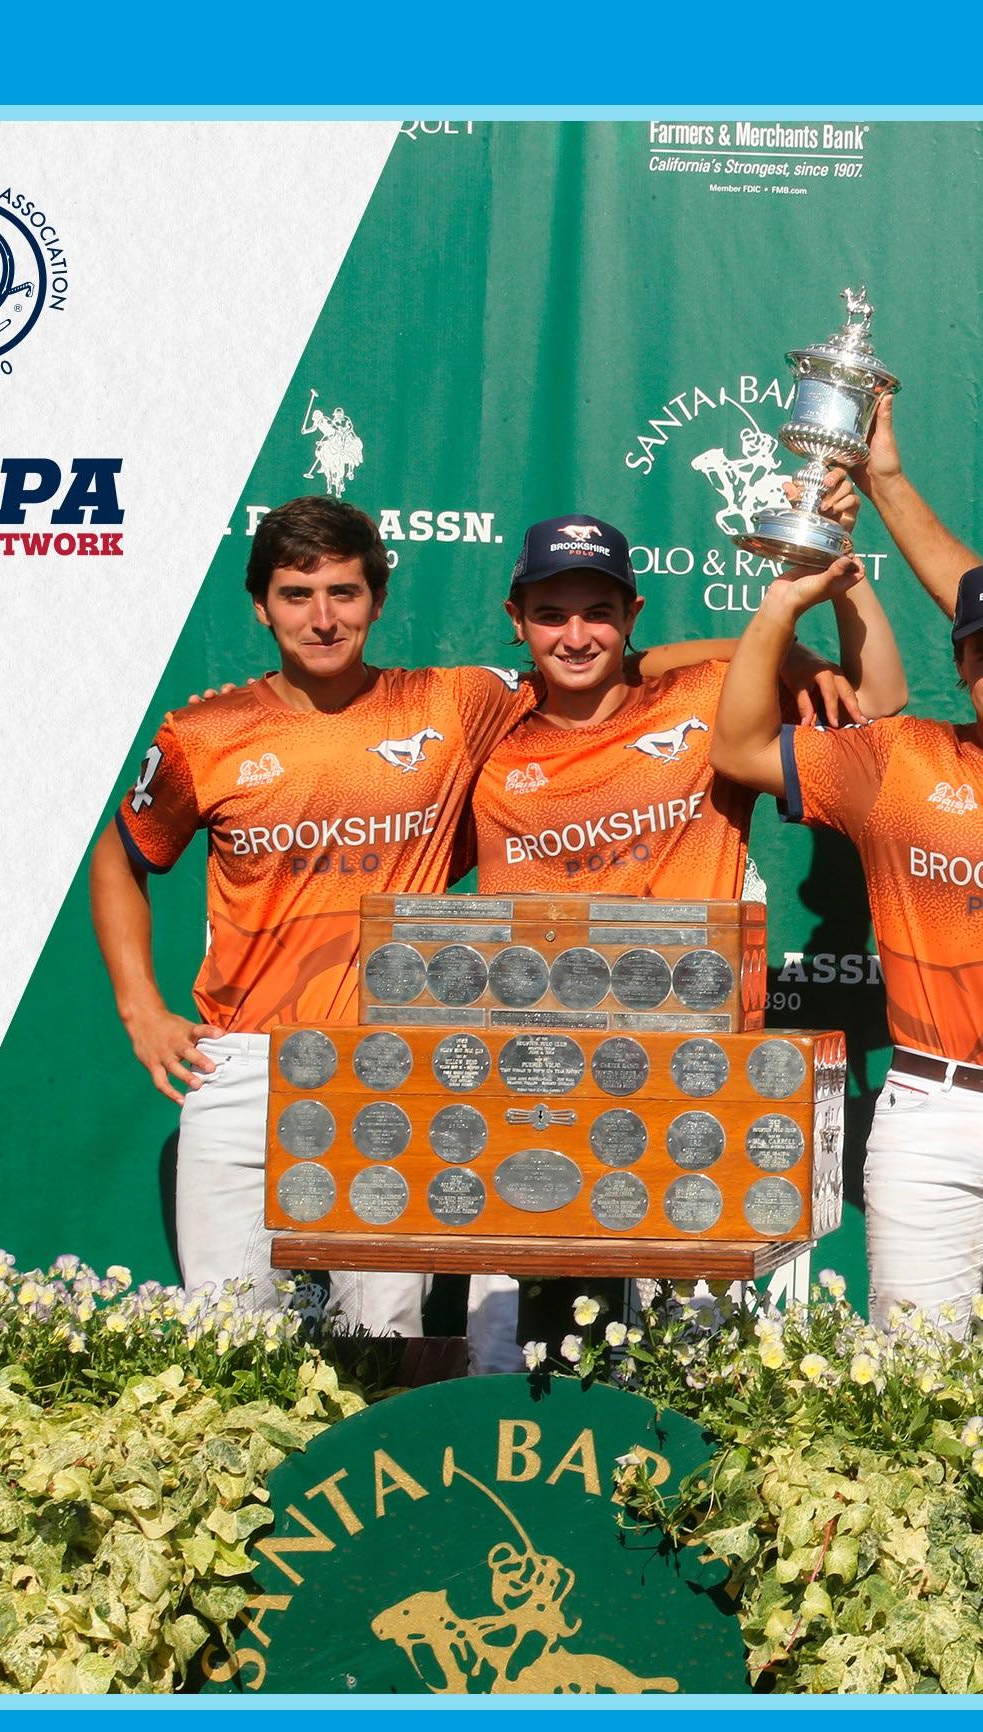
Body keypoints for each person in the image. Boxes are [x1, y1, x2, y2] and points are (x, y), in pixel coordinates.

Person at [90, 496, 716, 1350]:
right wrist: (139, 1008)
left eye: (344, 593)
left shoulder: (454, 704)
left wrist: (780, 652)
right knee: (224, 1339)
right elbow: (120, 857)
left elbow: (615, 664)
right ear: (260, 606)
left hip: (383, 1064)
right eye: (296, 595)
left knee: (381, 1341)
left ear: (378, 600)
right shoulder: (207, 732)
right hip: (241, 1064)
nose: (322, 618)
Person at [462, 502, 908, 1362]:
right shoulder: (483, 732)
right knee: (521, 1366)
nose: (576, 636)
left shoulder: (708, 700)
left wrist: (833, 577)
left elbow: (878, 705)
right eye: (551, 614)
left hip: (693, 1082)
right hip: (536, 1090)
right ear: (516, 621)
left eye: (598, 612)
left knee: (692, 1369)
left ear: (632, 615)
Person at [710, 422, 983, 1336]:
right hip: (935, 1114)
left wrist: (887, 481)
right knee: (914, 1381)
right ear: (962, 663)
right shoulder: (904, 762)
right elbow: (740, 748)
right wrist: (789, 602)